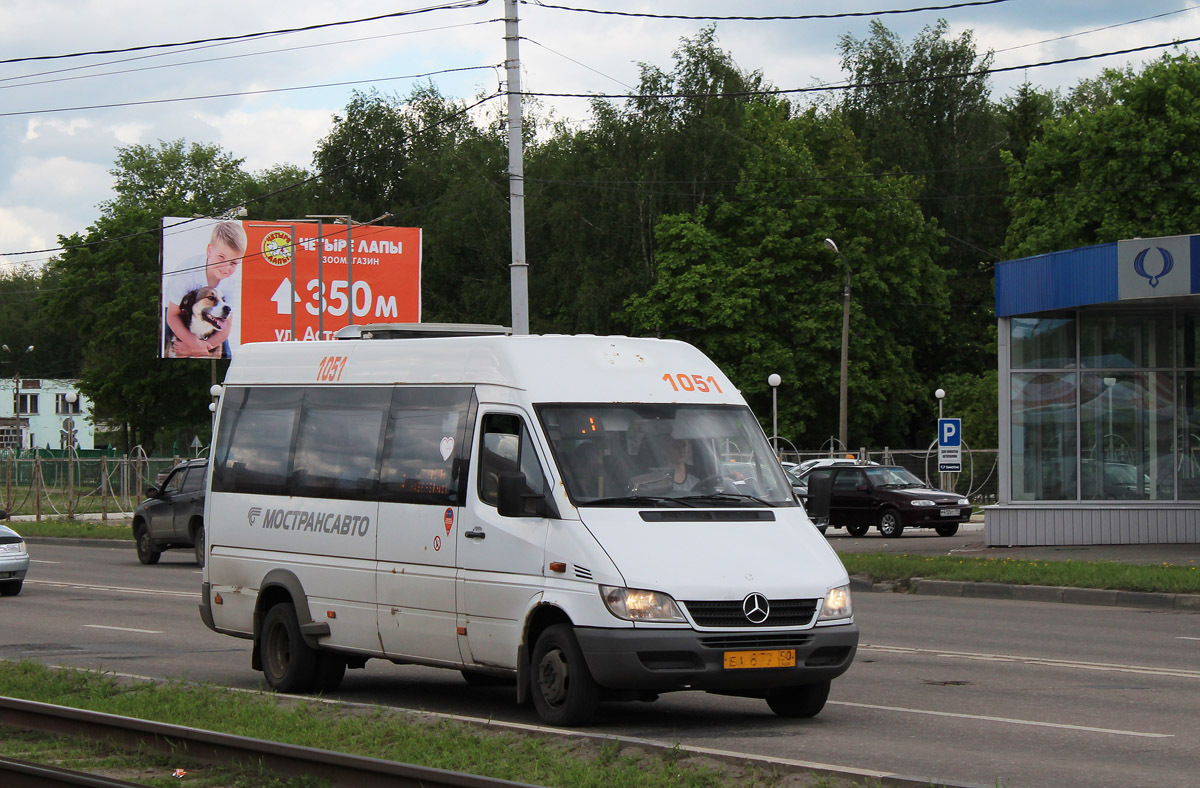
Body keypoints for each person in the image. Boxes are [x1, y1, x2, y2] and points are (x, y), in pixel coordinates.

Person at [164, 220, 246, 358]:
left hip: (214, 322)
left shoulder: (233, 283)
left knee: (227, 355)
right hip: (177, 313)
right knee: (166, 347)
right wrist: (193, 344)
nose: (226, 268)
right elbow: (172, 316)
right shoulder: (187, 271)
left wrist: (198, 349)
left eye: (234, 263)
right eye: (221, 257)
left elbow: (226, 327)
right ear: (209, 250)